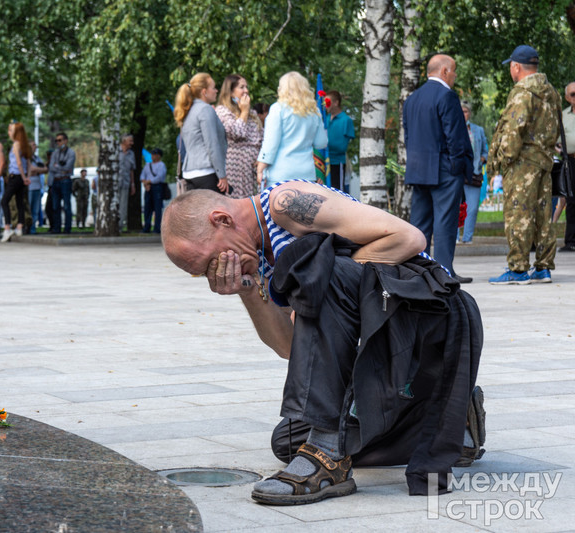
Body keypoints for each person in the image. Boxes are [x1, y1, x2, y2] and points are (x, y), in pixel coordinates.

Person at [161, 181, 483, 505]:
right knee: (289, 440)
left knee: (323, 271)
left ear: (222, 220)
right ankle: (449, 423)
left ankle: (328, 456)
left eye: (208, 263)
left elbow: (408, 237)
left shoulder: (285, 203)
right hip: (390, 333)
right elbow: (292, 348)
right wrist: (249, 290)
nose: (214, 272)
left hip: (433, 311)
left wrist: (321, 284)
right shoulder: (262, 256)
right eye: (204, 273)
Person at [487, 45, 560, 284]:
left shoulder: (522, 92)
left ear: (516, 66)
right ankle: (543, 267)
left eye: (511, 66)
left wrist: (503, 161)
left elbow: (513, 129)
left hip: (522, 164)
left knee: (518, 214)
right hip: (544, 162)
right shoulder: (551, 92)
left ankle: (518, 269)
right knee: (543, 215)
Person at [403, 54, 474, 283]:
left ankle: (419, 271)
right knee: (445, 223)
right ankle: (444, 273)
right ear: (444, 71)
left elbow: (408, 136)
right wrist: (458, 167)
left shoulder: (412, 99)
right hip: (444, 169)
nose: (454, 76)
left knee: (420, 224)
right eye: (453, 71)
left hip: (418, 169)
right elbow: (455, 136)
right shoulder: (447, 96)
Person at [256, 72, 328, 190]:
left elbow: (270, 145)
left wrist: (260, 167)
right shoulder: (314, 111)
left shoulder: (277, 109)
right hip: (307, 175)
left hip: (280, 175)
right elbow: (321, 142)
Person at [173, 72, 229, 194]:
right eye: (213, 87)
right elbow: (212, 144)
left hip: (190, 173)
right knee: (216, 211)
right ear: (204, 92)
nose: (216, 90)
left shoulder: (188, 110)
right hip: (206, 173)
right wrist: (222, 174)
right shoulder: (205, 109)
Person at [215, 74, 263, 199]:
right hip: (236, 168)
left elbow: (262, 137)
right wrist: (244, 112)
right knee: (239, 206)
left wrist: (262, 157)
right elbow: (237, 133)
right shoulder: (222, 111)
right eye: (242, 87)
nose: (246, 91)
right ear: (231, 91)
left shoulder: (252, 113)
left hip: (254, 169)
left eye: (246, 87)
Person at [459, 102, 489, 244]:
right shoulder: (453, 127)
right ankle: (454, 237)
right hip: (457, 174)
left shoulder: (478, 130)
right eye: (461, 111)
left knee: (472, 208)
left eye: (465, 111)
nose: (463, 114)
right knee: (454, 207)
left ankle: (467, 238)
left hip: (474, 174)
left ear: (469, 113)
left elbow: (486, 149)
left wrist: (482, 159)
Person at [0, 121, 32, 242]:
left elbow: (19, 163)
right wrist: (27, 177)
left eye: (11, 131)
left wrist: (24, 177)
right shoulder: (25, 145)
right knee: (20, 202)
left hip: (16, 176)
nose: (9, 133)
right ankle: (19, 226)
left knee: (4, 201)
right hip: (21, 177)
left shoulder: (16, 145)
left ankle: (7, 227)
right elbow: (29, 164)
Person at [326, 90, 356, 193]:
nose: (326, 105)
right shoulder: (325, 119)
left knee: (337, 192)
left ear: (336, 102)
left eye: (328, 102)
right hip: (324, 163)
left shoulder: (346, 120)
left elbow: (342, 147)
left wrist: (325, 145)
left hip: (337, 163)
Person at [558, 81, 575, 252]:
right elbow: (556, 138)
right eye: (573, 94)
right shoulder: (563, 115)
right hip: (570, 161)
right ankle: (570, 241)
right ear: (567, 98)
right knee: (571, 201)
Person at [48, 132, 76, 234]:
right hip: (56, 181)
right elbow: (51, 167)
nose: (58, 143)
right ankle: (57, 228)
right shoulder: (55, 153)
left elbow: (68, 167)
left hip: (65, 181)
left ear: (65, 141)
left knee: (67, 206)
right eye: (57, 141)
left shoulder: (71, 153)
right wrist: (61, 168)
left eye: (60, 140)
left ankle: (67, 228)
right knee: (55, 206)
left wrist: (58, 167)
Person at [140, 148, 167, 233]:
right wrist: (146, 183)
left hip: (157, 187)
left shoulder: (161, 165)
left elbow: (159, 177)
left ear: (159, 155)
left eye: (154, 154)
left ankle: (157, 228)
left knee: (157, 208)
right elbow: (142, 176)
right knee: (147, 208)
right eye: (152, 154)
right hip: (148, 187)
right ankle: (146, 227)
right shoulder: (147, 165)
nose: (152, 156)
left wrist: (148, 181)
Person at [28, 142, 48, 234]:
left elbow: (45, 169)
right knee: (28, 208)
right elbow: (30, 169)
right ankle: (26, 228)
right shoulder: (26, 158)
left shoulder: (37, 158)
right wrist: (37, 170)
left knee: (35, 210)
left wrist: (36, 170)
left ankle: (33, 228)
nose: (35, 147)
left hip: (37, 187)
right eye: (33, 145)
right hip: (29, 187)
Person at [119, 134, 137, 230]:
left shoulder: (131, 154)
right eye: (130, 141)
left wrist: (132, 184)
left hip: (125, 182)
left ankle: (120, 226)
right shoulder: (115, 151)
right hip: (114, 184)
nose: (132, 143)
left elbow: (131, 170)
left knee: (123, 205)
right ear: (124, 141)